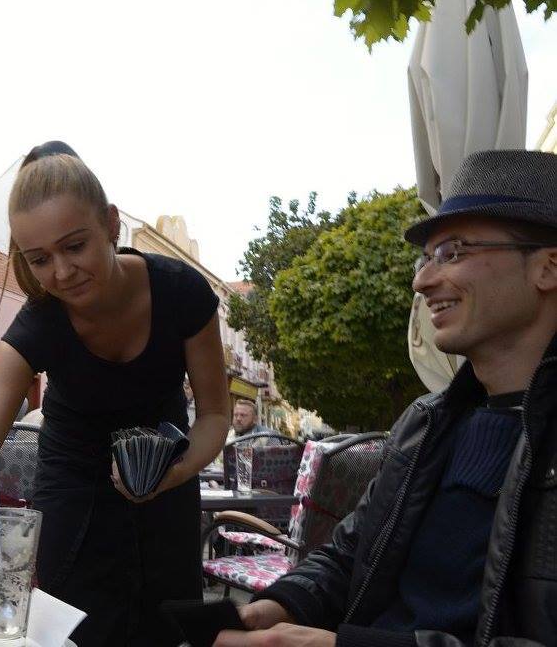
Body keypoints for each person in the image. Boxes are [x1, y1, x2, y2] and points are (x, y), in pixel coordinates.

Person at [0, 141, 231, 646]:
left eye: (75, 247)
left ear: (111, 224)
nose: (62, 273)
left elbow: (216, 414)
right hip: (74, 500)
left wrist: (176, 471)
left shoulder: (183, 293)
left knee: (167, 631)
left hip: (169, 485)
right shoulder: (37, 327)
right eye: (40, 259)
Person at [215, 149, 557, 647]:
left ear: (548, 267)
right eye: (426, 258)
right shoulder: (426, 423)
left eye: (453, 253)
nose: (422, 281)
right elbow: (352, 552)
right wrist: (281, 605)